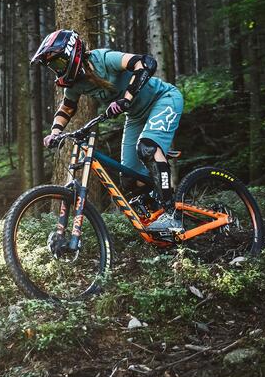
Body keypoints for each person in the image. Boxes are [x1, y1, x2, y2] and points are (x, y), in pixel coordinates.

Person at [31, 29, 185, 234]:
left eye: (58, 63)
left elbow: (146, 63)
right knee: (130, 178)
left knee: (147, 148)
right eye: (52, 67)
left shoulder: (103, 58)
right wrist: (55, 131)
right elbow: (67, 107)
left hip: (163, 99)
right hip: (136, 116)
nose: (57, 70)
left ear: (71, 54)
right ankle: (159, 222)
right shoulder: (75, 84)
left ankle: (172, 215)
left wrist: (126, 98)